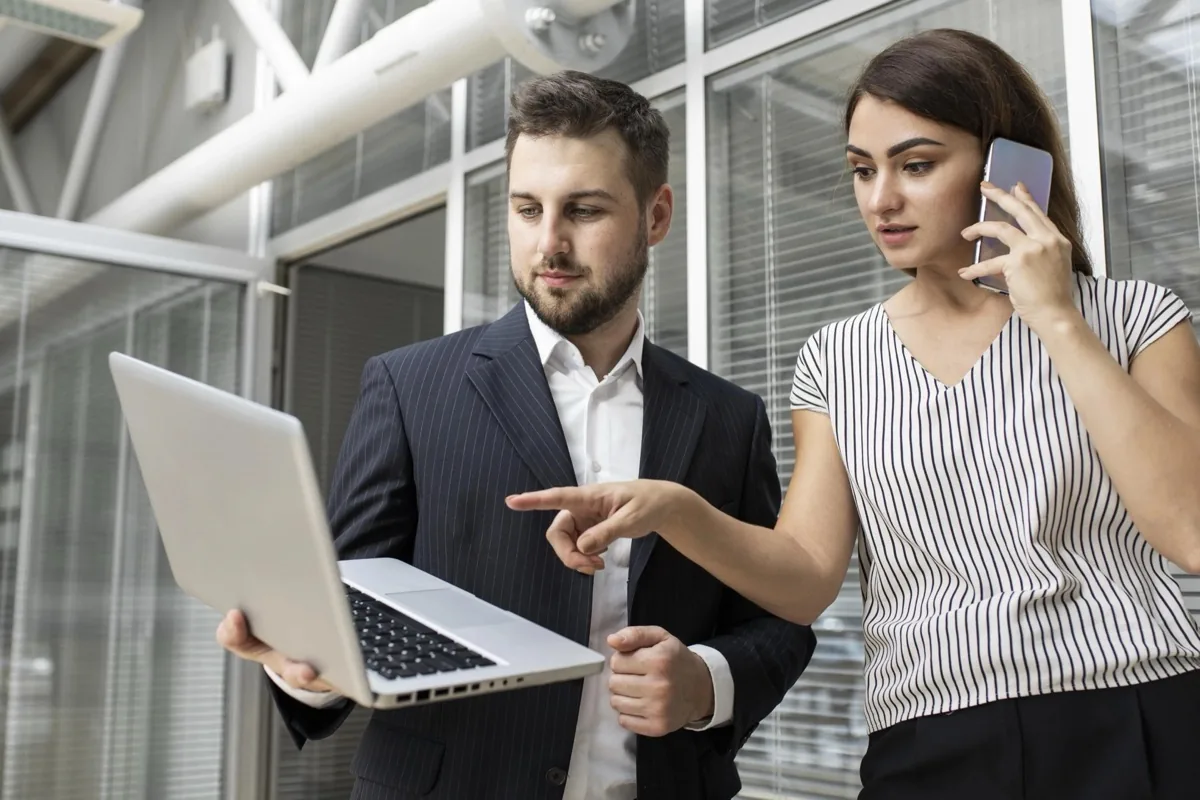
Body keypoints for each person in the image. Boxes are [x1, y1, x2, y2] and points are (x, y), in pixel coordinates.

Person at [507, 29, 1200, 800]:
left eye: (917, 164)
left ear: (1010, 168)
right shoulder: (839, 358)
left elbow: (1191, 531)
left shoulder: (1137, 319)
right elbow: (805, 580)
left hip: (1137, 713)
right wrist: (671, 508)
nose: (881, 200)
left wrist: (1059, 321)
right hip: (929, 740)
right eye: (863, 170)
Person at [216, 71, 816, 800]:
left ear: (657, 216)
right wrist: (302, 662)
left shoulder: (729, 418)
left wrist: (706, 683)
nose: (550, 244)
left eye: (585, 210)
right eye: (527, 209)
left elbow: (781, 618)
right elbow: (347, 609)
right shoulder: (409, 389)